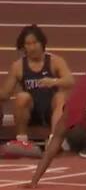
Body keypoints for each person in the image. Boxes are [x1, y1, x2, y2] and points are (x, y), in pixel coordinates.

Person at [0, 25, 74, 154]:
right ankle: (22, 140)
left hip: (52, 111)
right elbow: (5, 94)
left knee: (60, 97)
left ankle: (54, 140)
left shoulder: (55, 61)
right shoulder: (18, 66)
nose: (32, 47)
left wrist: (53, 81)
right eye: (28, 44)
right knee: (22, 97)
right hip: (31, 112)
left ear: (42, 43)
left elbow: (70, 81)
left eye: (35, 43)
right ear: (23, 46)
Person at [25, 74, 86, 188]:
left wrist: (34, 181)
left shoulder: (68, 117)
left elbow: (50, 151)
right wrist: (34, 181)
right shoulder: (71, 116)